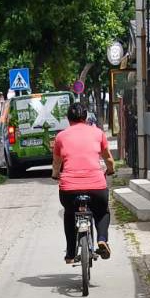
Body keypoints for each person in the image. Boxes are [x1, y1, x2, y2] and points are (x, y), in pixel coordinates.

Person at [51, 102, 115, 264]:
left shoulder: (61, 137)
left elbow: (57, 162)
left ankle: (71, 253)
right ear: (86, 117)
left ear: (68, 118)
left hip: (69, 190)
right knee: (102, 212)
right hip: (96, 187)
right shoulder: (98, 133)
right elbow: (108, 158)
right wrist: (111, 169)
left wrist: (55, 174)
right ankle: (102, 239)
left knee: (69, 214)